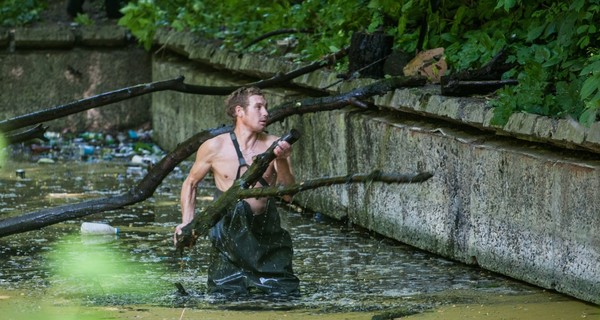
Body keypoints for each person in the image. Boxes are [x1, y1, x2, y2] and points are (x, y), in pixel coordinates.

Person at [174, 87, 299, 296]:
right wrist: (187, 223)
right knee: (225, 296)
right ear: (239, 111)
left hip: (265, 232)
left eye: (266, 107)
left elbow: (288, 195)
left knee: (283, 295)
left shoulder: (275, 145)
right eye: (258, 107)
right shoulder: (214, 147)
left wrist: (282, 160)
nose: (266, 113)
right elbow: (190, 183)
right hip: (228, 235)